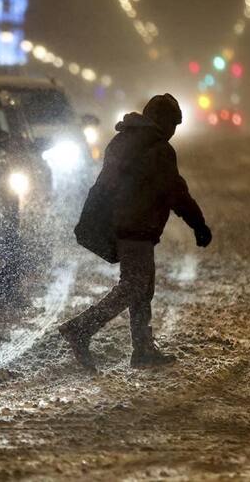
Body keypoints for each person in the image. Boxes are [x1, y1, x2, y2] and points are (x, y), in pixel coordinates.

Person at [59, 93, 211, 370]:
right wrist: (198, 225)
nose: (173, 131)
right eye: (172, 124)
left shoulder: (123, 140)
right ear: (161, 120)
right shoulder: (158, 149)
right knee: (134, 285)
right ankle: (81, 328)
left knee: (142, 287)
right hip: (138, 226)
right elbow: (176, 192)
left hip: (122, 223)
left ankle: (143, 349)